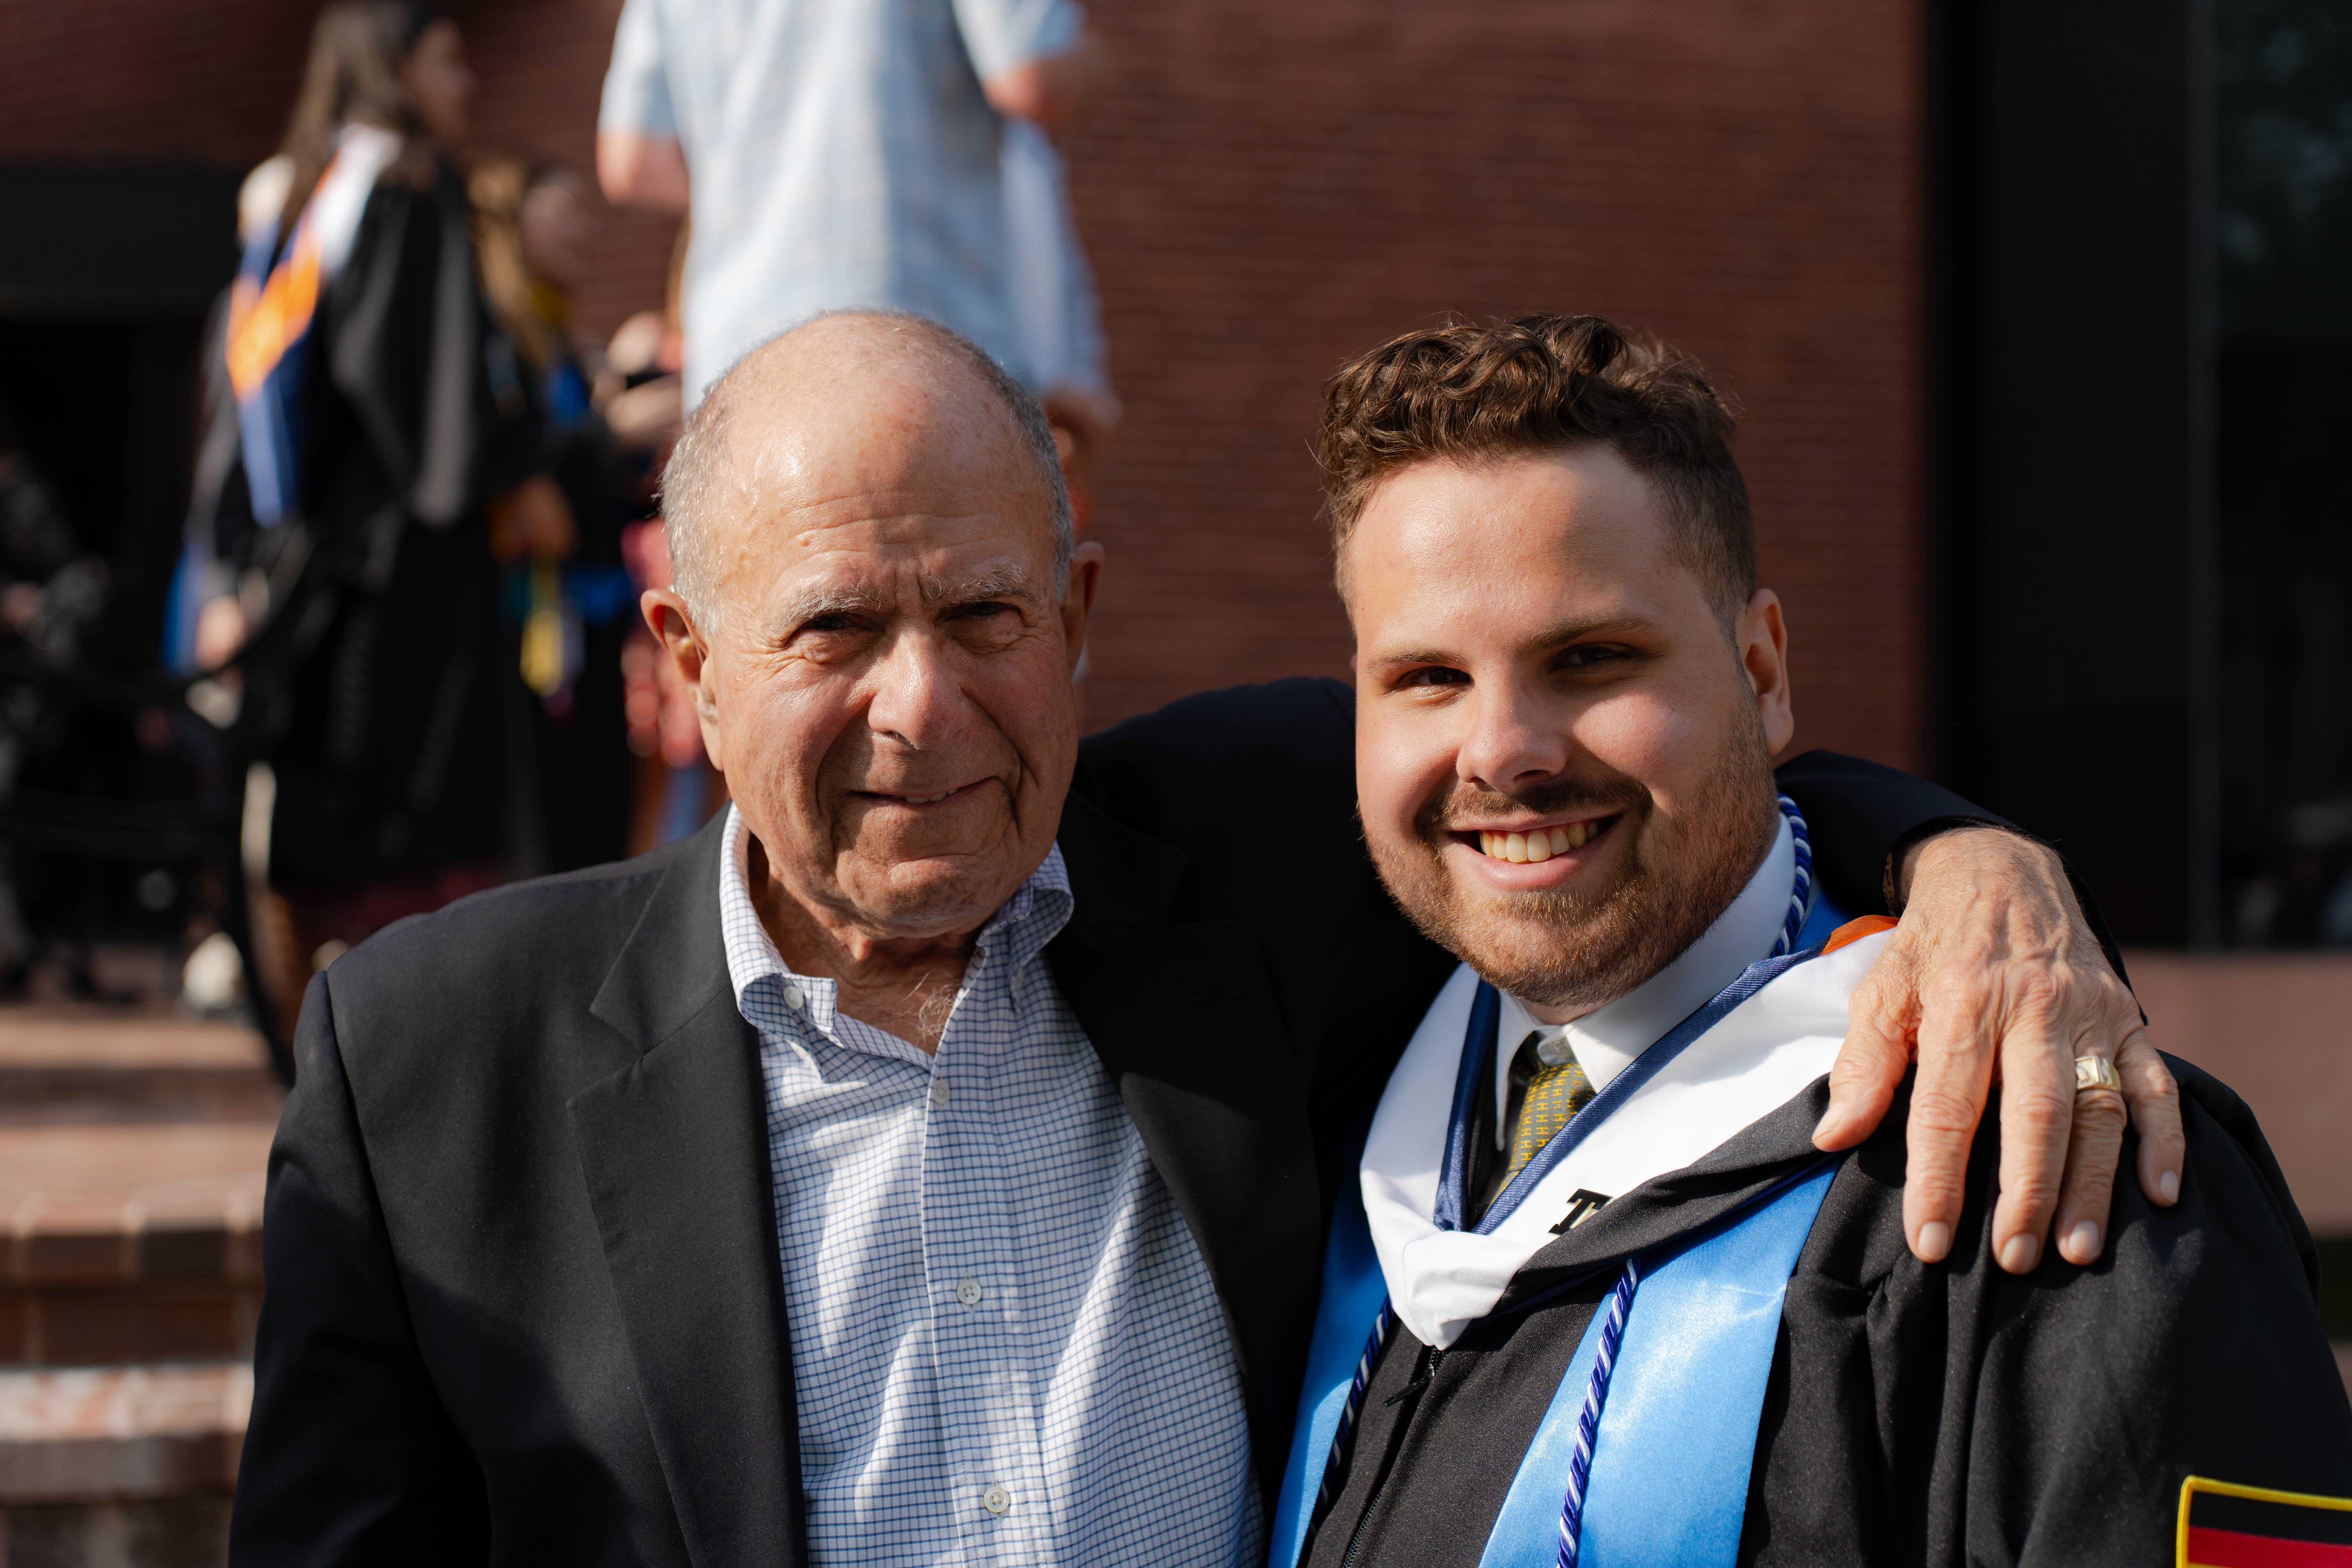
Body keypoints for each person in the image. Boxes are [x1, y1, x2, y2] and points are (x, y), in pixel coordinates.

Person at [228, 311, 2179, 1564]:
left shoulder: (1268, 842)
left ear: (1077, 616)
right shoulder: (430, 1065)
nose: (923, 707)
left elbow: (1621, 773)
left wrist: (1973, 869)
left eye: (984, 616)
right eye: (834, 631)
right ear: (689, 660)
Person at [1278, 314, 2352, 1568]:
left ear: (1762, 670)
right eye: (1425, 678)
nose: (1503, 751)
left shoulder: (2045, 1161)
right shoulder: (1326, 1084)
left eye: (1591, 658)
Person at [197, 3, 545, 1035]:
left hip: (313, 567)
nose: (465, 85)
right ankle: (405, 1055)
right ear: (394, 67)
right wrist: (532, 455)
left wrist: (231, 559)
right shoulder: (406, 188)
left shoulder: (310, 194)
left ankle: (324, 1044)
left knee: (327, 832)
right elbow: (431, 417)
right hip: (405, 579)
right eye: (447, 61)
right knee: (411, 833)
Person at [594, 0, 1102, 406]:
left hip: (735, 361)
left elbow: (632, 162)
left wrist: (763, 201)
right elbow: (1037, 80)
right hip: (923, 347)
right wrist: (1096, 58)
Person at [471, 156, 642, 871]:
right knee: (549, 822)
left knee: (600, 816)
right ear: (514, 218)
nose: (583, 229)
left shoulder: (560, 336)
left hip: (592, 613)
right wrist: (611, 433)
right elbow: (510, 459)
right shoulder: (493, 339)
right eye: (563, 210)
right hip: (528, 617)